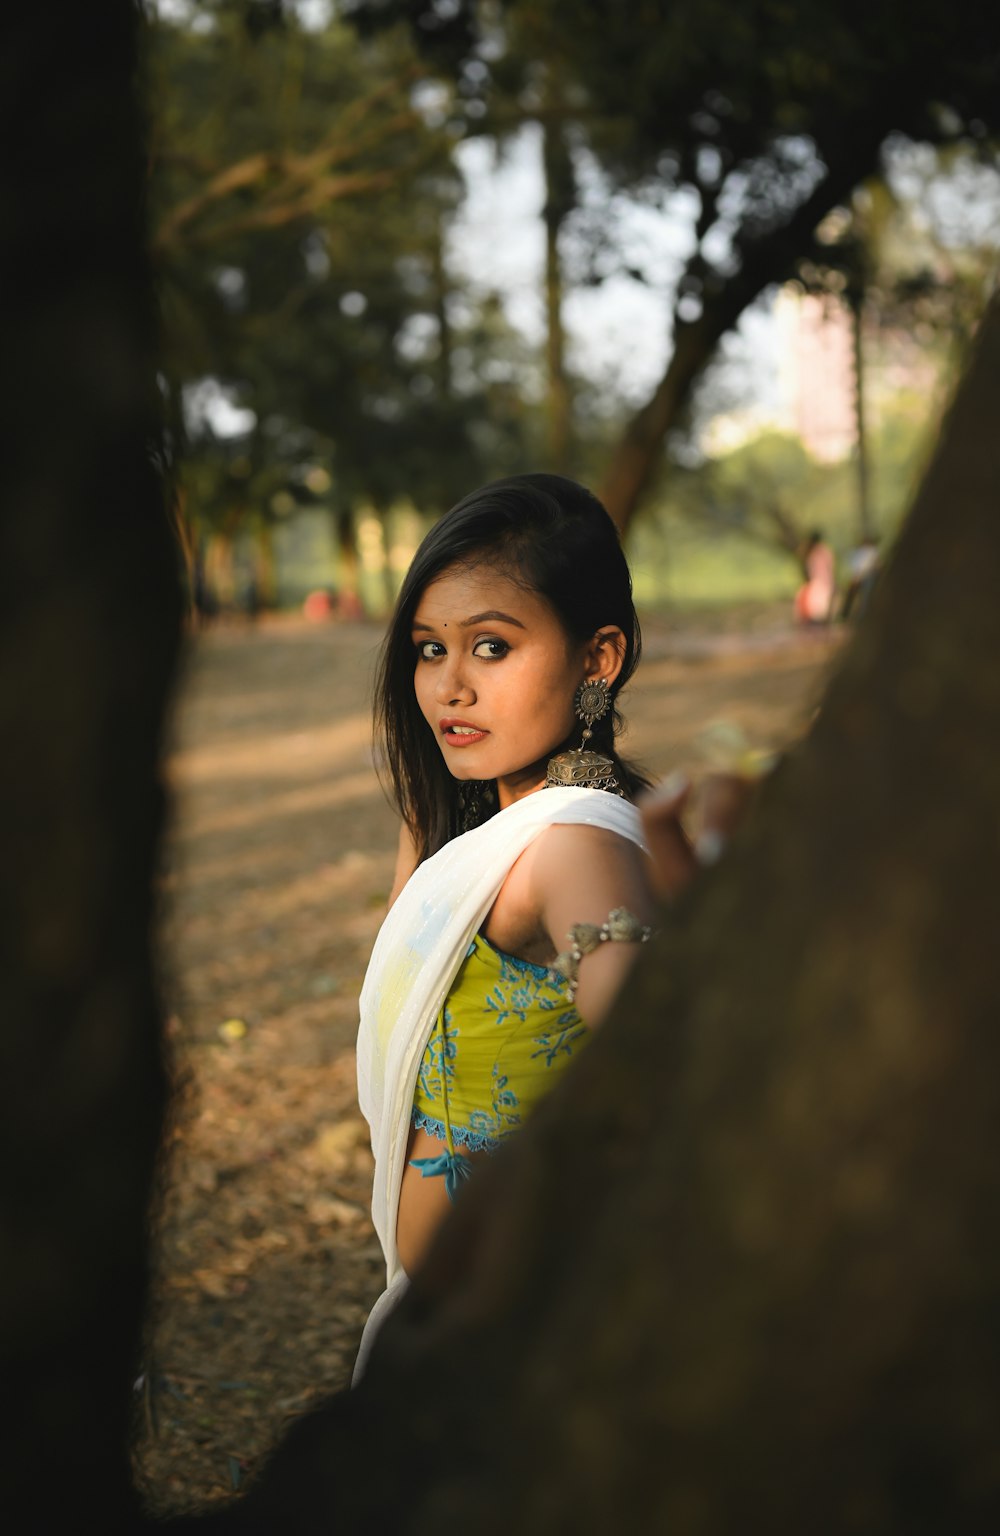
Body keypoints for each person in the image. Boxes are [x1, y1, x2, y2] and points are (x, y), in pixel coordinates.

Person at [352, 473, 661, 1379]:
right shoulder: (478, 835)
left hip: (526, 1347)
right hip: (447, 1332)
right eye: (427, 650)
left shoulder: (571, 845)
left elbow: (655, 1034)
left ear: (598, 657)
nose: (448, 687)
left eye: (491, 647)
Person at [794, 530, 836, 627]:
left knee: (818, 608)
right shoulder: (822, 552)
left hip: (821, 582)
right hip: (821, 582)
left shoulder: (817, 553)